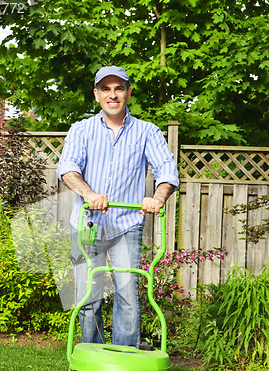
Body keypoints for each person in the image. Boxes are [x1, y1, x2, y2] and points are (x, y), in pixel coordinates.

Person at [56, 65, 179, 348]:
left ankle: (124, 366)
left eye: (119, 88)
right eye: (106, 89)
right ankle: (89, 361)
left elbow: (167, 172)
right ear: (97, 94)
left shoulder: (147, 132)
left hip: (126, 226)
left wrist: (158, 198)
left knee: (127, 295)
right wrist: (88, 193)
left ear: (128, 93)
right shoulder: (81, 130)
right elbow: (68, 169)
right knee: (88, 297)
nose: (113, 95)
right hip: (88, 225)